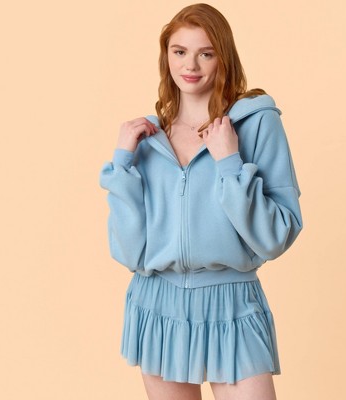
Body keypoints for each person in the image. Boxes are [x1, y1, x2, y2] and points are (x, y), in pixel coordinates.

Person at [99, 3, 303, 400]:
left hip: (231, 303)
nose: (190, 65)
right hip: (157, 304)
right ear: (166, 56)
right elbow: (129, 252)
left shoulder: (256, 123)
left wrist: (229, 163)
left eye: (205, 53)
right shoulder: (148, 137)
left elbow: (277, 234)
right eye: (179, 51)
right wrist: (121, 166)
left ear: (222, 57)